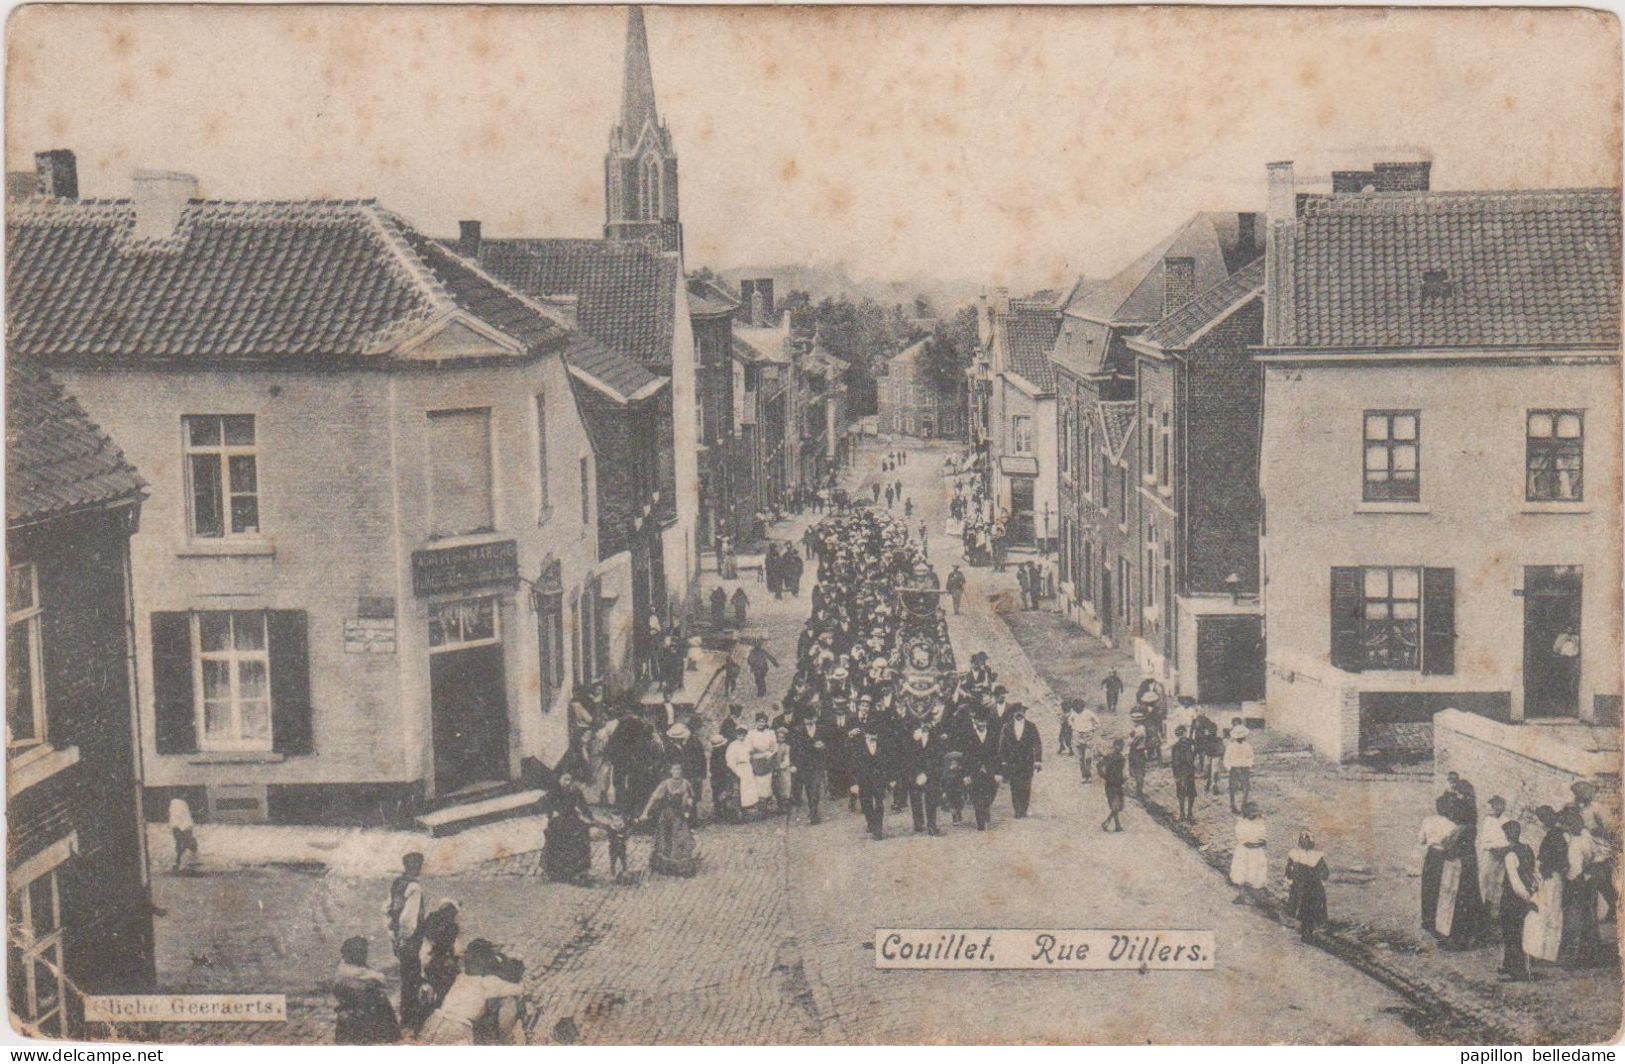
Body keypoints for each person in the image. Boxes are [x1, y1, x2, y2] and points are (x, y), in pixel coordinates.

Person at [418, 939, 524, 1046]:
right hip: (458, 1028)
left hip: (435, 1023)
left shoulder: (460, 977)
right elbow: (519, 989)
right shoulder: (488, 982)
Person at [382, 852, 426, 1029]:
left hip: (398, 938)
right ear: (416, 866)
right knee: (412, 979)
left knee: (406, 977)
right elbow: (408, 918)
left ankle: (406, 1016)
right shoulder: (414, 886)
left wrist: (393, 936)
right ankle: (410, 1019)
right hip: (410, 939)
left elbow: (387, 909)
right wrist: (405, 938)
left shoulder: (397, 883)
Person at [333, 936, 400, 1045]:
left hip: (349, 1007)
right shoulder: (354, 972)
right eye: (362, 952)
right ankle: (390, 1036)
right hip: (362, 1009)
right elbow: (381, 979)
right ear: (354, 953)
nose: (365, 955)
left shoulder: (342, 966)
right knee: (381, 997)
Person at [1559, 807, 1602, 969]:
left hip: (1584, 882)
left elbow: (1594, 857)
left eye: (1573, 823)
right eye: (1568, 823)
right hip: (1571, 882)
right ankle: (1575, 956)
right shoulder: (1568, 838)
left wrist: (1584, 875)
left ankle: (1590, 955)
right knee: (1572, 918)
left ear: (1579, 822)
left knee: (1586, 918)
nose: (1570, 826)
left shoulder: (1584, 837)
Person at [639, 763, 700, 876]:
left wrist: (689, 803)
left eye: (679, 769)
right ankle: (664, 865)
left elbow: (691, 797)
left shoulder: (686, 783)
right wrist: (645, 813)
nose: (677, 771)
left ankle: (681, 866)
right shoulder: (665, 784)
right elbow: (654, 798)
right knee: (665, 839)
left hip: (680, 815)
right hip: (667, 815)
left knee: (682, 837)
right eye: (674, 769)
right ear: (671, 771)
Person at [1525, 806, 1567, 965]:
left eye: (1544, 817)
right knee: (1546, 912)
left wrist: (1547, 868)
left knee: (1551, 913)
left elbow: (1560, 860)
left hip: (1553, 878)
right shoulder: (1553, 834)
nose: (1543, 821)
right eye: (1541, 818)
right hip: (1549, 877)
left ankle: (1548, 954)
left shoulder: (1556, 835)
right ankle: (1543, 952)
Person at [1499, 819, 1539, 981]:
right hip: (1526, 893)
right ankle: (1509, 965)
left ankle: (1518, 971)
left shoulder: (1510, 854)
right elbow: (1534, 873)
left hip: (1513, 898)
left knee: (1512, 933)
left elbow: (1515, 882)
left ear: (1507, 835)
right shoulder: (1528, 849)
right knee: (1518, 931)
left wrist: (1527, 899)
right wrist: (1533, 892)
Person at [541, 775, 598, 884]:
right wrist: (550, 814)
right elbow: (545, 804)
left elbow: (583, 806)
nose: (568, 782)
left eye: (570, 780)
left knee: (582, 834)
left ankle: (579, 870)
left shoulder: (575, 791)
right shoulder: (554, 791)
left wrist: (590, 818)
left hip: (572, 818)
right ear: (559, 780)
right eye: (565, 779)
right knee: (555, 838)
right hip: (559, 820)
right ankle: (553, 871)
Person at [900, 723, 945, 836]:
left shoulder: (935, 738)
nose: (924, 726)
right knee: (915, 798)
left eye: (926, 723)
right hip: (914, 773)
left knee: (931, 799)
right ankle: (918, 823)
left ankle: (931, 825)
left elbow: (937, 758)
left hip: (930, 774)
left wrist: (927, 774)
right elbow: (907, 757)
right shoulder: (910, 738)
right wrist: (917, 773)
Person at [1285, 832, 1330, 941]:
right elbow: (1325, 873)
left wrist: (1291, 879)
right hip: (1309, 886)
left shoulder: (1299, 855)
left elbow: (1288, 871)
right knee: (1308, 909)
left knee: (1306, 909)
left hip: (1305, 886)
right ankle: (1307, 933)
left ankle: (1306, 932)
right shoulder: (1314, 856)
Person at [787, 714, 829, 825]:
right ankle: (809, 811)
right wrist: (792, 764)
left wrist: (823, 746)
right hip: (802, 766)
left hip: (817, 765)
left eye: (811, 718)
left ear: (815, 718)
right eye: (807, 718)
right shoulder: (798, 730)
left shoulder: (822, 729)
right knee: (806, 790)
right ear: (804, 719)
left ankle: (814, 814)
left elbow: (830, 744)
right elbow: (794, 748)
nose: (809, 721)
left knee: (815, 790)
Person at [853, 723, 891, 840]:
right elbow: (853, 765)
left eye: (875, 735)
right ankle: (871, 822)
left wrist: (889, 779)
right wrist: (854, 782)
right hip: (864, 780)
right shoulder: (858, 746)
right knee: (866, 803)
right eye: (871, 735)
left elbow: (888, 762)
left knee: (879, 803)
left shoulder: (883, 745)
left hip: (879, 779)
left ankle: (878, 829)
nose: (873, 738)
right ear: (866, 735)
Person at [1478, 795, 1514, 916]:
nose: (1489, 812)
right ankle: (1482, 906)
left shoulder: (1506, 821)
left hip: (1501, 855)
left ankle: (1493, 910)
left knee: (1498, 881)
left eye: (1491, 809)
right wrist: (1490, 847)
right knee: (1485, 879)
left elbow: (1508, 839)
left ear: (1498, 809)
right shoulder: (1488, 821)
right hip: (1489, 854)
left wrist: (1501, 848)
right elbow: (1484, 839)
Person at [1230, 803, 1269, 900]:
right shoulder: (1242, 823)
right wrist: (1252, 844)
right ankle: (1241, 895)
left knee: (1255, 872)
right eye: (1252, 813)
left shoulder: (1259, 823)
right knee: (1242, 872)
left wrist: (1261, 842)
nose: (1254, 815)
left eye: (1255, 813)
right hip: (1244, 852)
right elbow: (1242, 839)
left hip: (1256, 853)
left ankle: (1254, 895)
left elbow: (1263, 836)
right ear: (1246, 813)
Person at [1224, 720, 1254, 814]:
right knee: (1233, 788)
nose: (1240, 738)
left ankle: (1243, 805)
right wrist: (1230, 768)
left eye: (1242, 737)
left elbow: (1251, 756)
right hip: (1234, 768)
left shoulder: (1248, 746)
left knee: (1245, 787)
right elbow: (1226, 759)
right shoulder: (1231, 746)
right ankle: (1233, 805)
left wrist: (1249, 765)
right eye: (1239, 737)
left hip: (1244, 768)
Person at [1170, 725, 1198, 822]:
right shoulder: (1189, 743)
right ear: (1184, 733)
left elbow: (1174, 762)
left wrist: (1176, 775)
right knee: (1190, 793)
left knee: (1182, 792)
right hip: (1187, 770)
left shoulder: (1176, 746)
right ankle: (1188, 813)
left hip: (1182, 771)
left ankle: (1184, 813)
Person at [1099, 739, 1127, 832]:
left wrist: (1123, 778)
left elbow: (1122, 771)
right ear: (1114, 746)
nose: (1119, 748)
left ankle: (1108, 823)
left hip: (1118, 783)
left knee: (1120, 806)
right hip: (1110, 784)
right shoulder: (1109, 756)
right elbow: (1099, 765)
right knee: (1115, 805)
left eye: (1121, 746)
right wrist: (1103, 775)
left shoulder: (1122, 758)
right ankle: (1116, 825)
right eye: (1117, 746)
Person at [708, 735, 737, 823]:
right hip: (722, 777)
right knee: (725, 795)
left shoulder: (714, 754)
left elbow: (712, 768)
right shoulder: (723, 753)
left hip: (716, 777)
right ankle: (727, 815)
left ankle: (720, 814)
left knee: (718, 796)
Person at [169, 795, 198, 872]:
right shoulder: (179, 803)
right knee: (183, 845)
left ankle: (180, 863)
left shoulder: (175, 803)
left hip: (180, 826)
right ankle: (183, 864)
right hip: (182, 826)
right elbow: (182, 817)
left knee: (182, 845)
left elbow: (180, 816)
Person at [1127, 727, 1148, 801]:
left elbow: (1130, 743)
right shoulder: (1142, 728)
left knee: (1137, 773)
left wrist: (1130, 736)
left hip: (1136, 752)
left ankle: (1138, 792)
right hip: (1140, 752)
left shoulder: (1138, 730)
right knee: (1140, 773)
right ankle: (1139, 791)